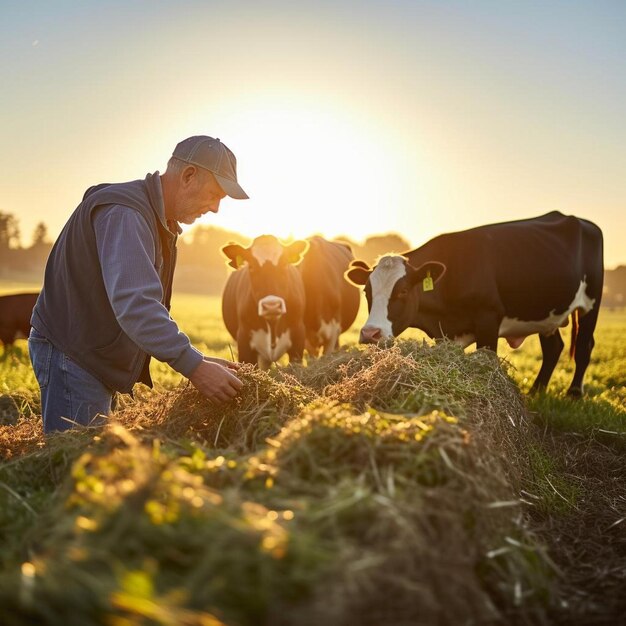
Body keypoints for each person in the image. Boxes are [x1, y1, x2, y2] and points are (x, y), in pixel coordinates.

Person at [29, 135, 247, 434]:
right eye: (215, 194)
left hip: (91, 353)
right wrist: (193, 367)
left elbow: (144, 301)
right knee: (78, 467)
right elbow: (137, 305)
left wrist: (200, 358)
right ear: (188, 176)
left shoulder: (153, 218)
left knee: (96, 459)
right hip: (74, 355)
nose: (215, 208)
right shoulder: (126, 214)